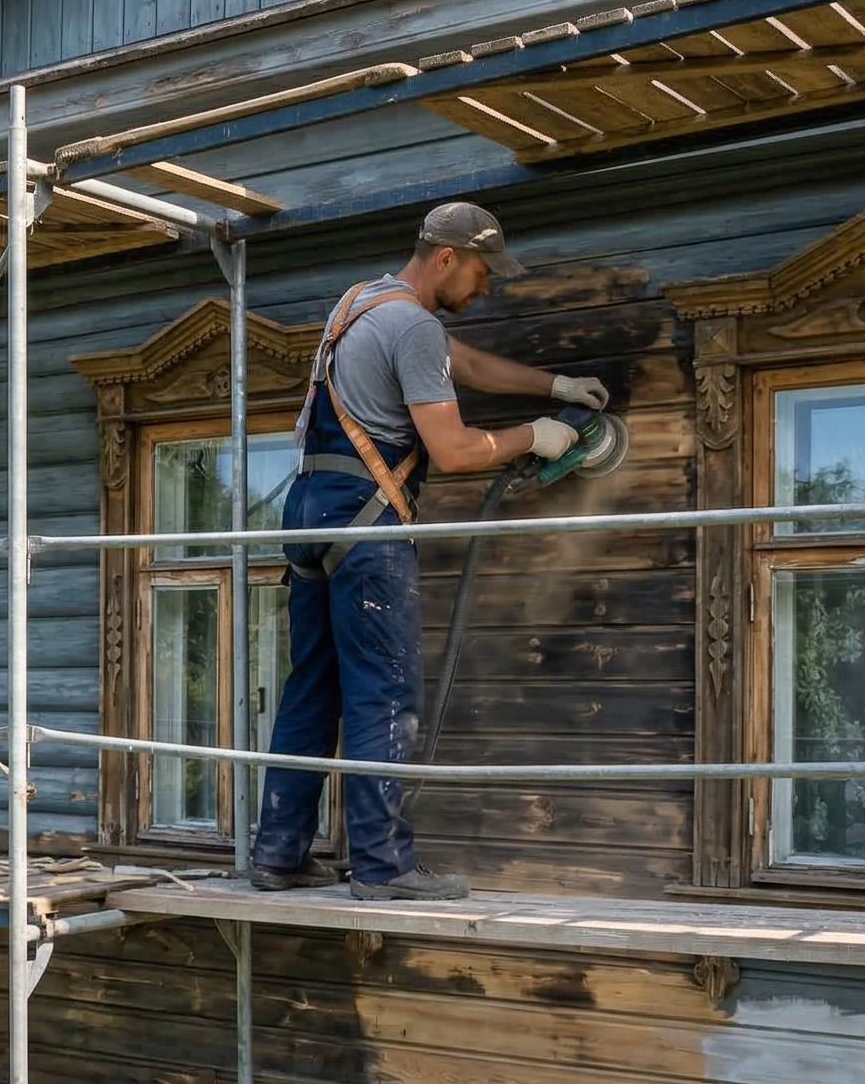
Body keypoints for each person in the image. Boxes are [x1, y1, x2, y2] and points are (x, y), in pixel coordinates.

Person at [249, 202, 610, 900]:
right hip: (366, 520)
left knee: (311, 687)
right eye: (480, 272)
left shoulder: (361, 303)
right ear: (445, 258)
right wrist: (534, 435)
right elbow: (452, 450)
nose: (486, 286)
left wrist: (555, 386)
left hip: (310, 511)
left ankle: (278, 855)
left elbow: (459, 361)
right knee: (384, 691)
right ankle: (383, 867)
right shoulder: (413, 325)